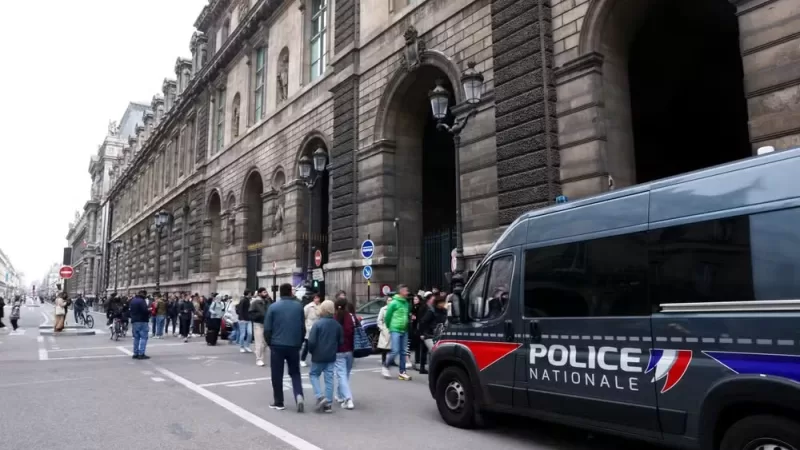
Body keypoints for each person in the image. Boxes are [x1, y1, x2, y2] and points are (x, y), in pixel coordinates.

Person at [264, 283, 306, 412]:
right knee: (295, 372)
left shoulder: (273, 307)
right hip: (293, 344)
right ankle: (298, 394)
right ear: (290, 293)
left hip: (277, 344)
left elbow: (267, 329)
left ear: (280, 293)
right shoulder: (298, 307)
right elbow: (302, 328)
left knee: (277, 374)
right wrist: (299, 343)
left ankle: (279, 402)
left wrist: (270, 343)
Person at [306, 300, 341, 413]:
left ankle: (320, 396)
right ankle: (328, 404)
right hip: (331, 355)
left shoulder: (317, 324)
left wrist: (312, 351)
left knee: (314, 374)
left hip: (318, 354)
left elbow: (311, 341)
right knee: (329, 378)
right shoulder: (337, 325)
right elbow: (340, 341)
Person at [381, 284, 412, 381]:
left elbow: (407, 314)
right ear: (401, 291)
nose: (407, 292)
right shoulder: (394, 303)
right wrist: (390, 327)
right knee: (395, 350)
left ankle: (402, 372)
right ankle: (385, 366)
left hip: (404, 329)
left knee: (403, 351)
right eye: (406, 291)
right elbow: (387, 317)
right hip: (395, 329)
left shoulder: (406, 303)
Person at [333, 297, 356, 409]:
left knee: (341, 375)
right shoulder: (351, 317)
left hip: (338, 350)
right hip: (350, 349)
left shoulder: (334, 318)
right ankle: (340, 395)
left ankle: (348, 398)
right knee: (345, 374)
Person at [417, 294, 448, 374]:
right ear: (437, 303)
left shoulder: (444, 311)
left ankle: (434, 369)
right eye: (442, 303)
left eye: (444, 302)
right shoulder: (431, 311)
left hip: (439, 334)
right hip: (429, 335)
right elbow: (423, 322)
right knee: (434, 350)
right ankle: (432, 370)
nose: (443, 304)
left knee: (436, 352)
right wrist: (422, 333)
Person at [249, 287, 269, 366]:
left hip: (266, 324)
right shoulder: (255, 302)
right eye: (264, 292)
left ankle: (259, 354)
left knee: (265, 343)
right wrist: (259, 316)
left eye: (266, 292)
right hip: (258, 324)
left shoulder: (267, 301)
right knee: (259, 342)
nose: (266, 293)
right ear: (260, 293)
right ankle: (259, 359)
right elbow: (250, 313)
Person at [300, 293, 321, 367]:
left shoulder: (321, 306)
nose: (317, 299)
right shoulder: (308, 307)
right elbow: (303, 316)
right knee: (307, 345)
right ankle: (302, 359)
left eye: (318, 298)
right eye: (315, 298)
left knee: (318, 345)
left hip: (318, 327)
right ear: (313, 299)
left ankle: (316, 359)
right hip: (309, 327)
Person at [130, 290, 150, 360]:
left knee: (136, 338)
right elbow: (145, 311)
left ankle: (135, 353)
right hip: (142, 321)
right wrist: (149, 310)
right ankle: (141, 353)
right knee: (144, 337)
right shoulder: (142, 301)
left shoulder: (133, 300)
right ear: (144, 294)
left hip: (134, 321)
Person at [376, 296, 393, 365]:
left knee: (393, 346)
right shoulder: (383, 309)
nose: (390, 301)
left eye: (391, 300)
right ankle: (384, 360)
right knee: (384, 347)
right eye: (389, 300)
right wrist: (382, 328)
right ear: (386, 301)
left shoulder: (394, 309)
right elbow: (379, 320)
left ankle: (392, 361)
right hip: (385, 329)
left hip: (393, 328)